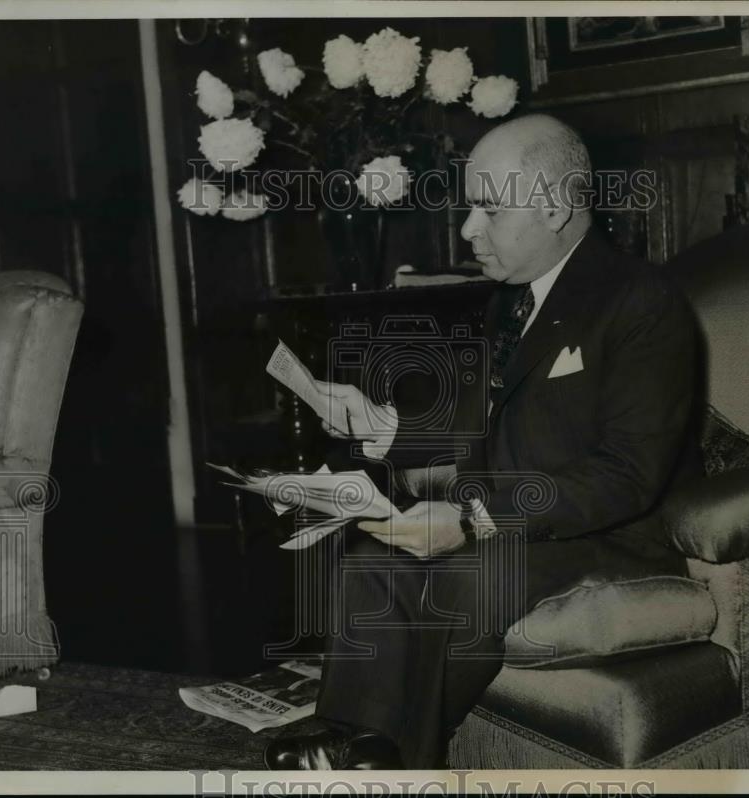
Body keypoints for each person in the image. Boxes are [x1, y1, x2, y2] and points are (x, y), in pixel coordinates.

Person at [265, 114, 699, 770]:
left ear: (554, 208)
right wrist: (379, 426)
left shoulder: (640, 303)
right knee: (369, 561)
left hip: (611, 539)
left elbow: (627, 475)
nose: (467, 229)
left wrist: (472, 517)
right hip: (522, 529)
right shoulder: (509, 304)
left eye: (488, 209)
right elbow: (476, 429)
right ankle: (354, 756)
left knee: (469, 576)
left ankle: (381, 765)